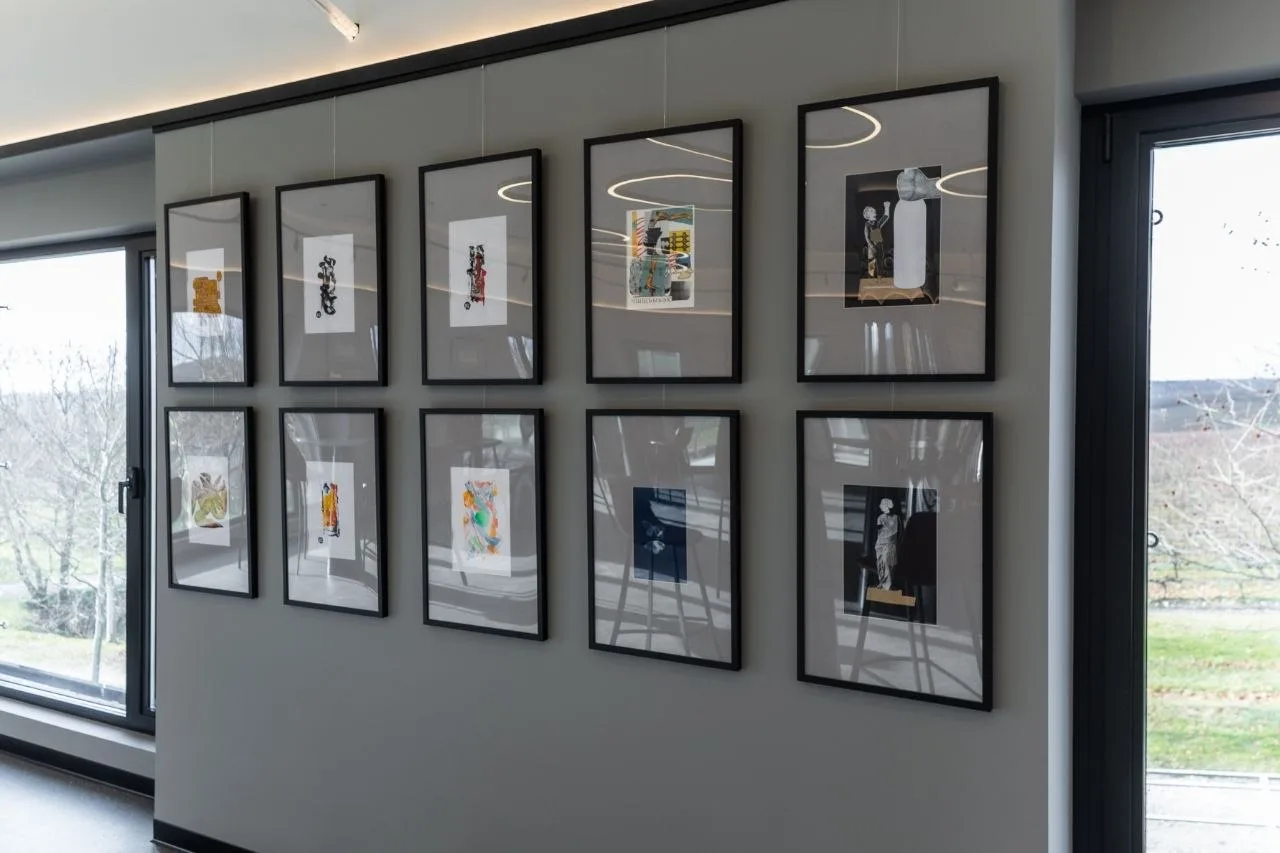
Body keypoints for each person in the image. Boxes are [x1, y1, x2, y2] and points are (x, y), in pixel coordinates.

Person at [874, 497, 899, 589]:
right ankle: (884, 583)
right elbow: (879, 531)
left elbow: (896, 531)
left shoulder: (895, 518)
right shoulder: (880, 518)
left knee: (889, 563)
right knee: (881, 563)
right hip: (882, 543)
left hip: (890, 543)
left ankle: (888, 586)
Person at [863, 202, 892, 278]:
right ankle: (871, 277)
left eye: (874, 210)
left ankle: (879, 277)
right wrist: (872, 246)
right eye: (871, 211)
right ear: (867, 215)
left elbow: (886, 217)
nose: (874, 211)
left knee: (880, 262)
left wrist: (887, 207)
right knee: (871, 262)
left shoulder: (877, 224)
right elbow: (867, 236)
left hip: (879, 245)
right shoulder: (867, 224)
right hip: (872, 246)